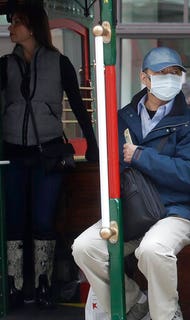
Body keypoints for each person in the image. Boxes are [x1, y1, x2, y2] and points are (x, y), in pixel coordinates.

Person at [72, 47, 190, 320]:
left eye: (175, 73)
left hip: (175, 211)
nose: (169, 79)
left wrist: (141, 156)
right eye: (161, 73)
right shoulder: (122, 117)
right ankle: (135, 303)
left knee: (153, 249)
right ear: (144, 78)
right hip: (134, 210)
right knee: (85, 247)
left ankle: (167, 315)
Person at [0, 4, 98, 309]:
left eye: (16, 23)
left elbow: (80, 106)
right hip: (12, 152)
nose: (10, 28)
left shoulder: (60, 62)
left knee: (44, 220)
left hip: (50, 154)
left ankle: (44, 285)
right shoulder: (3, 65)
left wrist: (93, 144)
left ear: (32, 27)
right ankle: (15, 285)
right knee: (14, 222)